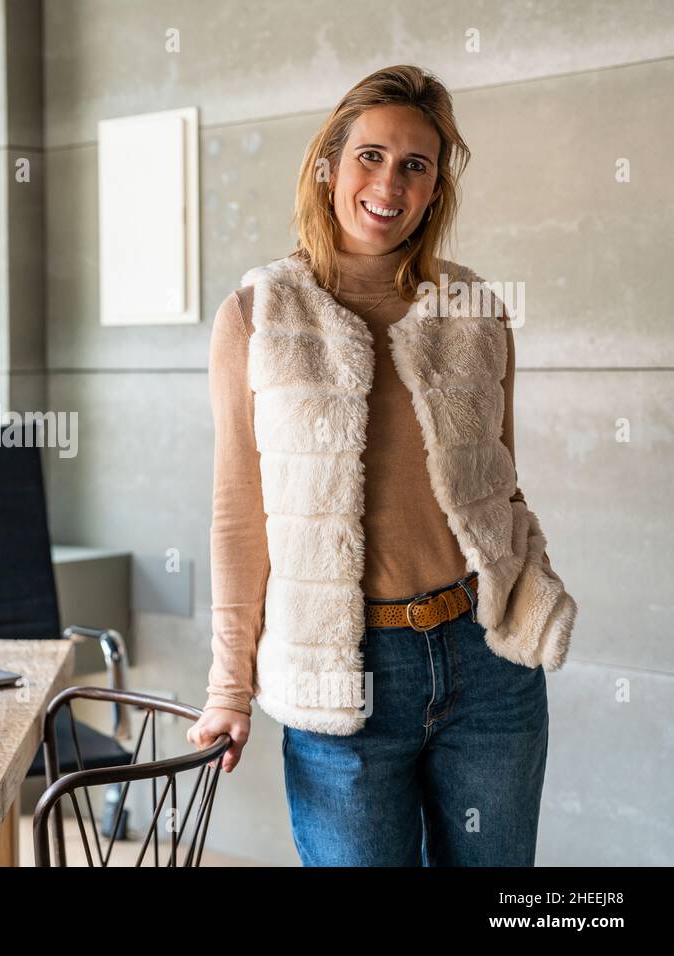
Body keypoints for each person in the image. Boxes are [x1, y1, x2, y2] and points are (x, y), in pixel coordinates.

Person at [187, 64, 576, 866]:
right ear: (328, 165)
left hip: (486, 663)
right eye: (370, 155)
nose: (388, 182)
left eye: (415, 165)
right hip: (342, 675)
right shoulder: (258, 315)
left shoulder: (475, 311)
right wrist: (229, 687)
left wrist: (534, 588)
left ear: (435, 190)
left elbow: (501, 486)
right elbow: (239, 513)